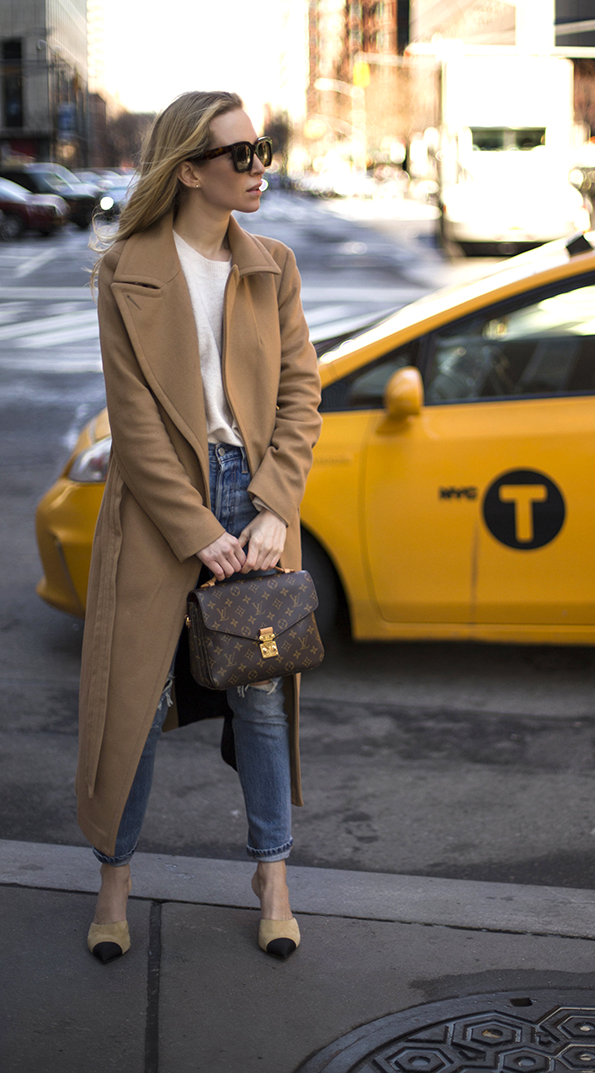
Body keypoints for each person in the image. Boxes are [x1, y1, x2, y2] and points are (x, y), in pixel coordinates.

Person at [77, 91, 322, 964]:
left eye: (262, 150)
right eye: (241, 154)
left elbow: (301, 398)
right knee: (136, 701)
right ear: (189, 171)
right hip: (160, 510)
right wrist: (197, 529)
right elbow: (133, 423)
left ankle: (274, 875)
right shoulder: (127, 270)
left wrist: (273, 505)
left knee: (260, 695)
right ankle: (115, 878)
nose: (259, 168)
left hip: (252, 499)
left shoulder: (273, 265)